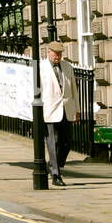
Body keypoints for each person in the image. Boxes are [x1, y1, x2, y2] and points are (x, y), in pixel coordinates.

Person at [40, 40, 78, 186]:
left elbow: (74, 89)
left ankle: (55, 163)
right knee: (53, 142)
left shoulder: (68, 67)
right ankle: (56, 175)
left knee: (67, 142)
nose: (58, 56)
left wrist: (77, 110)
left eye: (60, 53)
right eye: (55, 53)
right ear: (48, 52)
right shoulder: (41, 67)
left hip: (66, 109)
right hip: (50, 111)